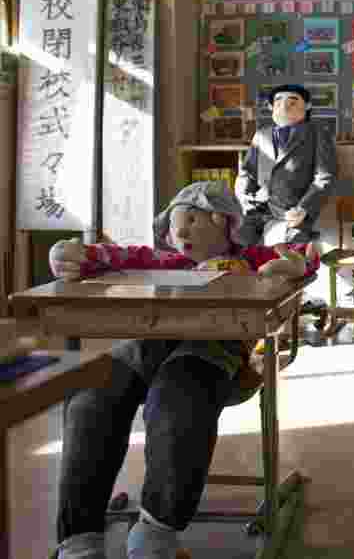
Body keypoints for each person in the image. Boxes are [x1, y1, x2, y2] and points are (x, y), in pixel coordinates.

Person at [48, 181, 318, 559]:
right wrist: (72, 255)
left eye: (194, 220)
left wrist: (293, 263)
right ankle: (79, 539)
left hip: (214, 356)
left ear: (225, 224)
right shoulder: (162, 261)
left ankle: (156, 531)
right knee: (90, 395)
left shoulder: (250, 257)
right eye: (177, 223)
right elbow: (109, 257)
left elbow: (305, 253)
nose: (183, 231)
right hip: (146, 347)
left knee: (178, 395)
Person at [237, 84, 337, 246]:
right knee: (237, 239)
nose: (284, 106)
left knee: (293, 248)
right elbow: (247, 173)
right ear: (270, 107)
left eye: (293, 102)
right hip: (258, 210)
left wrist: (304, 208)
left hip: (292, 213)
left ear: (308, 105)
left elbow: (324, 177)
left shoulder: (317, 133)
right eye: (278, 101)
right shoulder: (262, 134)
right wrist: (245, 199)